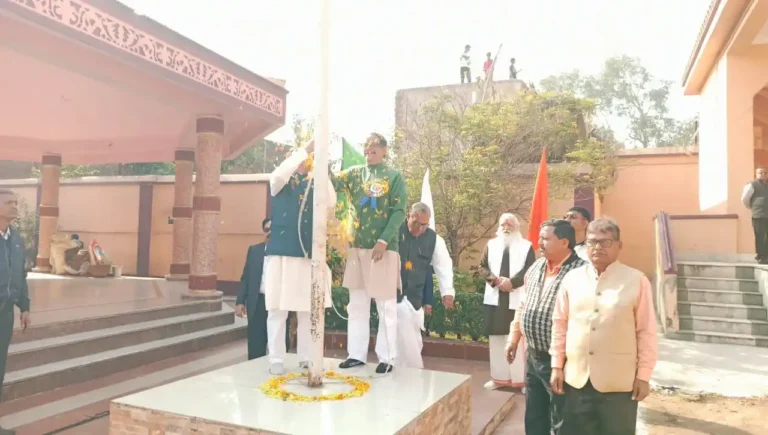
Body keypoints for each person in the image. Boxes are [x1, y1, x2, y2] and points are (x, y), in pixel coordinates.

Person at [551, 218, 658, 435]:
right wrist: (556, 365)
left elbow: (646, 331)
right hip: (576, 380)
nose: (598, 247)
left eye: (605, 242)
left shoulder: (636, 280)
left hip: (618, 384)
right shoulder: (572, 279)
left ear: (619, 246)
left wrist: (644, 375)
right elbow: (560, 324)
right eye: (592, 242)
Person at [334, 133, 407, 374]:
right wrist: (320, 161)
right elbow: (334, 182)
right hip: (358, 247)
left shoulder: (394, 176)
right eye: (366, 149)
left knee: (385, 306)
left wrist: (384, 240)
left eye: (374, 149)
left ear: (384, 150)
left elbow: (399, 211)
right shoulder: (355, 173)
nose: (369, 153)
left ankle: (387, 358)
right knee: (357, 304)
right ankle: (356, 355)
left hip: (383, 249)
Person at [506, 219, 586, 435]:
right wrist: (514, 338)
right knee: (534, 414)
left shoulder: (581, 273)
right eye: (540, 238)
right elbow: (523, 304)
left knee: (563, 418)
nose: (540, 242)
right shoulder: (536, 267)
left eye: (546, 238)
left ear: (564, 242)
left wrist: (558, 364)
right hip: (533, 356)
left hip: (564, 361)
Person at [263, 140, 336, 375]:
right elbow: (277, 175)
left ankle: (305, 357)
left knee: (307, 310)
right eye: (303, 157)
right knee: (277, 310)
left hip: (308, 256)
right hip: (282, 256)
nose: (306, 160)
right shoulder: (281, 183)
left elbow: (332, 201)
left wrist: (320, 168)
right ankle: (276, 358)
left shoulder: (315, 184)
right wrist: (305, 149)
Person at [479, 213, 535, 390]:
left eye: (510, 224)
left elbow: (530, 269)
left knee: (518, 339)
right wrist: (496, 281)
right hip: (495, 300)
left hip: (517, 298)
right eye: (503, 224)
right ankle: (498, 379)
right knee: (496, 340)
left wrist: (512, 282)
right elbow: (481, 268)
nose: (506, 227)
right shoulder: (491, 245)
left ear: (517, 227)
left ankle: (521, 381)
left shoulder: (527, 246)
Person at [396, 202, 455, 369]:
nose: (420, 229)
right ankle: (397, 367)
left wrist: (447, 291)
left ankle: (410, 371)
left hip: (415, 298)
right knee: (393, 332)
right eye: (416, 223)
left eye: (425, 225)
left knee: (413, 337)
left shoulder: (434, 239)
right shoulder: (394, 231)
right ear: (409, 216)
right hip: (392, 294)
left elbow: (443, 265)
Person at [236, 218, 289, 361]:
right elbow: (246, 277)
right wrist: (240, 301)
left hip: (278, 304)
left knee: (278, 343)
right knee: (255, 347)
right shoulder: (254, 251)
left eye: (273, 230)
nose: (270, 233)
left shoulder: (286, 254)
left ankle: (277, 369)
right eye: (266, 230)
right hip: (258, 304)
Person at [1, 189, 31, 435]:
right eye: (9, 203)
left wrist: (25, 306)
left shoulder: (17, 239)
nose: (14, 207)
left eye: (15, 203)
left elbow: (21, 275)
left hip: (5, 314)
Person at [741, 167, 768, 264]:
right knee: (760, 235)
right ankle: (761, 256)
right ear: (756, 174)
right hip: (758, 215)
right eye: (761, 172)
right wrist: (753, 207)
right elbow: (745, 199)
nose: (764, 174)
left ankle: (766, 255)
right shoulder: (752, 185)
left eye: (765, 173)